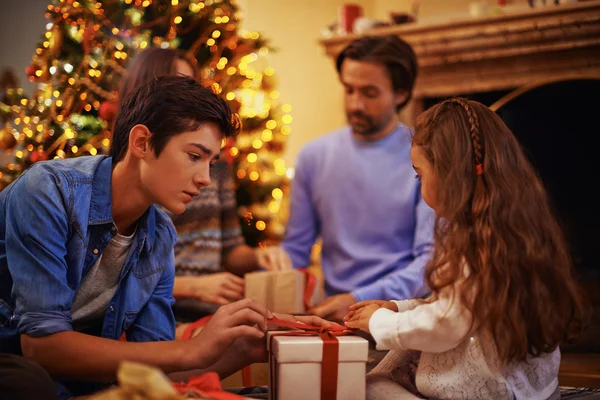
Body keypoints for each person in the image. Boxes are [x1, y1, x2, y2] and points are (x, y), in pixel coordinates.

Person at [0, 75, 332, 399]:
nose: (204, 179)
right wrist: (191, 348)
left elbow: (154, 370)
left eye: (211, 162)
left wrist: (240, 349)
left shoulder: (159, 234)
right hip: (17, 361)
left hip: (73, 379)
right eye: (194, 156)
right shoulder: (48, 192)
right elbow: (41, 346)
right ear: (141, 142)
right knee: (31, 384)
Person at [344, 98, 590, 399]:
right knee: (390, 368)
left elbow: (447, 322)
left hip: (491, 388)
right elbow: (457, 304)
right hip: (531, 388)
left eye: (420, 175)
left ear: (451, 175)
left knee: (367, 388)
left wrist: (379, 322)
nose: (419, 186)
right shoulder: (512, 228)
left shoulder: (476, 244)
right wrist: (398, 308)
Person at [256, 35, 435, 322]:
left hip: (403, 315)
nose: (355, 104)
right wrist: (274, 268)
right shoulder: (314, 156)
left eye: (369, 93)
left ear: (401, 94)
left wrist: (359, 299)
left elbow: (431, 263)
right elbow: (297, 249)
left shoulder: (426, 158)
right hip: (333, 313)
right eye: (349, 90)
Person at [118, 48, 267, 339]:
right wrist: (194, 287)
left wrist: (266, 257)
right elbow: (115, 285)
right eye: (175, 86)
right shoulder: (124, 183)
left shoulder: (211, 173)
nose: (205, 181)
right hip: (168, 314)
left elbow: (231, 247)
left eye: (191, 86)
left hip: (201, 313)